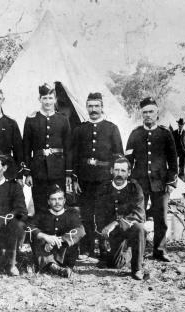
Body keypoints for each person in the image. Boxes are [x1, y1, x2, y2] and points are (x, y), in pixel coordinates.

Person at [125, 97, 178, 262]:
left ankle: (160, 250)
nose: (148, 115)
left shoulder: (165, 134)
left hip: (160, 184)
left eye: (151, 112)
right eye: (145, 112)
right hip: (140, 184)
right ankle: (136, 250)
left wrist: (171, 182)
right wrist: (130, 182)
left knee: (161, 218)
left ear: (157, 113)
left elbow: (173, 161)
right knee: (137, 217)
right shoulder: (135, 134)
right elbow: (128, 160)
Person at [72, 92, 123, 259]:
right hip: (85, 179)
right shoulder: (80, 129)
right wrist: (75, 178)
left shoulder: (111, 128)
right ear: (86, 107)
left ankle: (103, 249)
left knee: (102, 214)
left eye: (96, 106)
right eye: (90, 106)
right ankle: (87, 249)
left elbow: (118, 155)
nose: (93, 109)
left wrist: (113, 178)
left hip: (104, 179)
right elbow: (75, 155)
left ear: (102, 107)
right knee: (86, 214)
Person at [23, 83, 72, 212]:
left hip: (58, 169)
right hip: (38, 170)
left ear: (55, 99)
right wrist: (27, 172)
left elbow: (68, 148)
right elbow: (26, 148)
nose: (48, 101)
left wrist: (68, 172)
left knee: (58, 204)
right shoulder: (31, 119)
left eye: (50, 98)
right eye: (44, 98)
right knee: (40, 205)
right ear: (39, 99)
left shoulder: (63, 119)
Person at [95, 158, 145, 280]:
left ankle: (137, 268)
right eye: (116, 170)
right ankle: (131, 251)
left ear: (128, 173)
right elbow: (99, 214)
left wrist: (116, 222)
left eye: (123, 170)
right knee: (115, 264)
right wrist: (103, 238)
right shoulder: (104, 188)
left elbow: (139, 213)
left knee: (139, 228)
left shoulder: (135, 188)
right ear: (111, 171)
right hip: (112, 232)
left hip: (129, 227)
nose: (119, 173)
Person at [27, 184, 85, 277]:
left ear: (64, 200)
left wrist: (59, 240)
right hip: (45, 251)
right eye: (53, 199)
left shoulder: (72, 213)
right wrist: (45, 237)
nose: (57, 202)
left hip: (65, 253)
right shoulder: (42, 214)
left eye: (60, 199)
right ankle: (55, 268)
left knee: (77, 233)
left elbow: (80, 230)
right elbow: (29, 227)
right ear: (48, 201)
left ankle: (54, 267)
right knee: (36, 237)